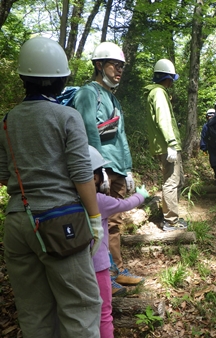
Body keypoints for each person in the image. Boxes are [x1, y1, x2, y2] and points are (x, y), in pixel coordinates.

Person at [0, 36, 102, 337]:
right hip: (61, 224)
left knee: (34, 311)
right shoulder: (66, 116)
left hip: (17, 221)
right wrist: (94, 219)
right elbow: (82, 173)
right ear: (60, 81)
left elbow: (3, 174)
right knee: (80, 306)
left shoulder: (7, 121)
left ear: (24, 78)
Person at [72, 41, 143, 295]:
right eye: (115, 65)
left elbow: (121, 136)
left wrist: (128, 168)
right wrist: (96, 167)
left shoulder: (113, 98)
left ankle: (116, 270)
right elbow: (87, 130)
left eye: (122, 66)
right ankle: (100, 275)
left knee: (114, 222)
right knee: (97, 222)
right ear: (99, 65)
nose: (119, 70)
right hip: (99, 170)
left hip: (117, 169)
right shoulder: (87, 93)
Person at [88, 146, 149, 338]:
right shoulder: (99, 200)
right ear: (96, 177)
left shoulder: (67, 201)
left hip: (75, 266)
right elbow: (125, 204)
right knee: (104, 313)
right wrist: (141, 196)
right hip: (98, 266)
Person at [144, 59, 187, 231]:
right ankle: (170, 221)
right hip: (167, 145)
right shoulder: (159, 93)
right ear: (167, 78)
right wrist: (171, 143)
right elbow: (164, 120)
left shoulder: (156, 92)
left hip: (166, 144)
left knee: (179, 180)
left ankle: (171, 216)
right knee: (171, 181)